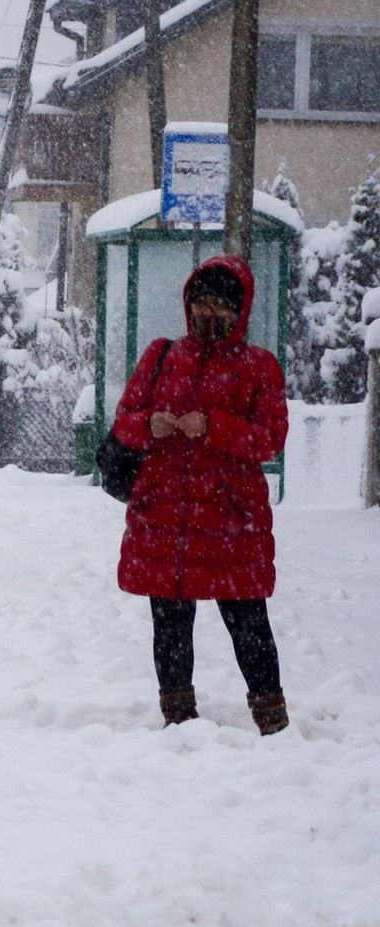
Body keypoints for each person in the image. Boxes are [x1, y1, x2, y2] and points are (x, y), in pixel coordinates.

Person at [110, 256, 289, 735]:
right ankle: (177, 719)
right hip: (164, 516)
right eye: (201, 301)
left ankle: (273, 720)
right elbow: (125, 419)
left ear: (240, 310)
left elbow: (270, 438)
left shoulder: (259, 368)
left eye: (219, 304)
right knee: (169, 625)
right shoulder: (161, 355)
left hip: (232, 522)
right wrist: (149, 423)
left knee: (249, 623)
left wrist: (214, 427)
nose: (209, 312)